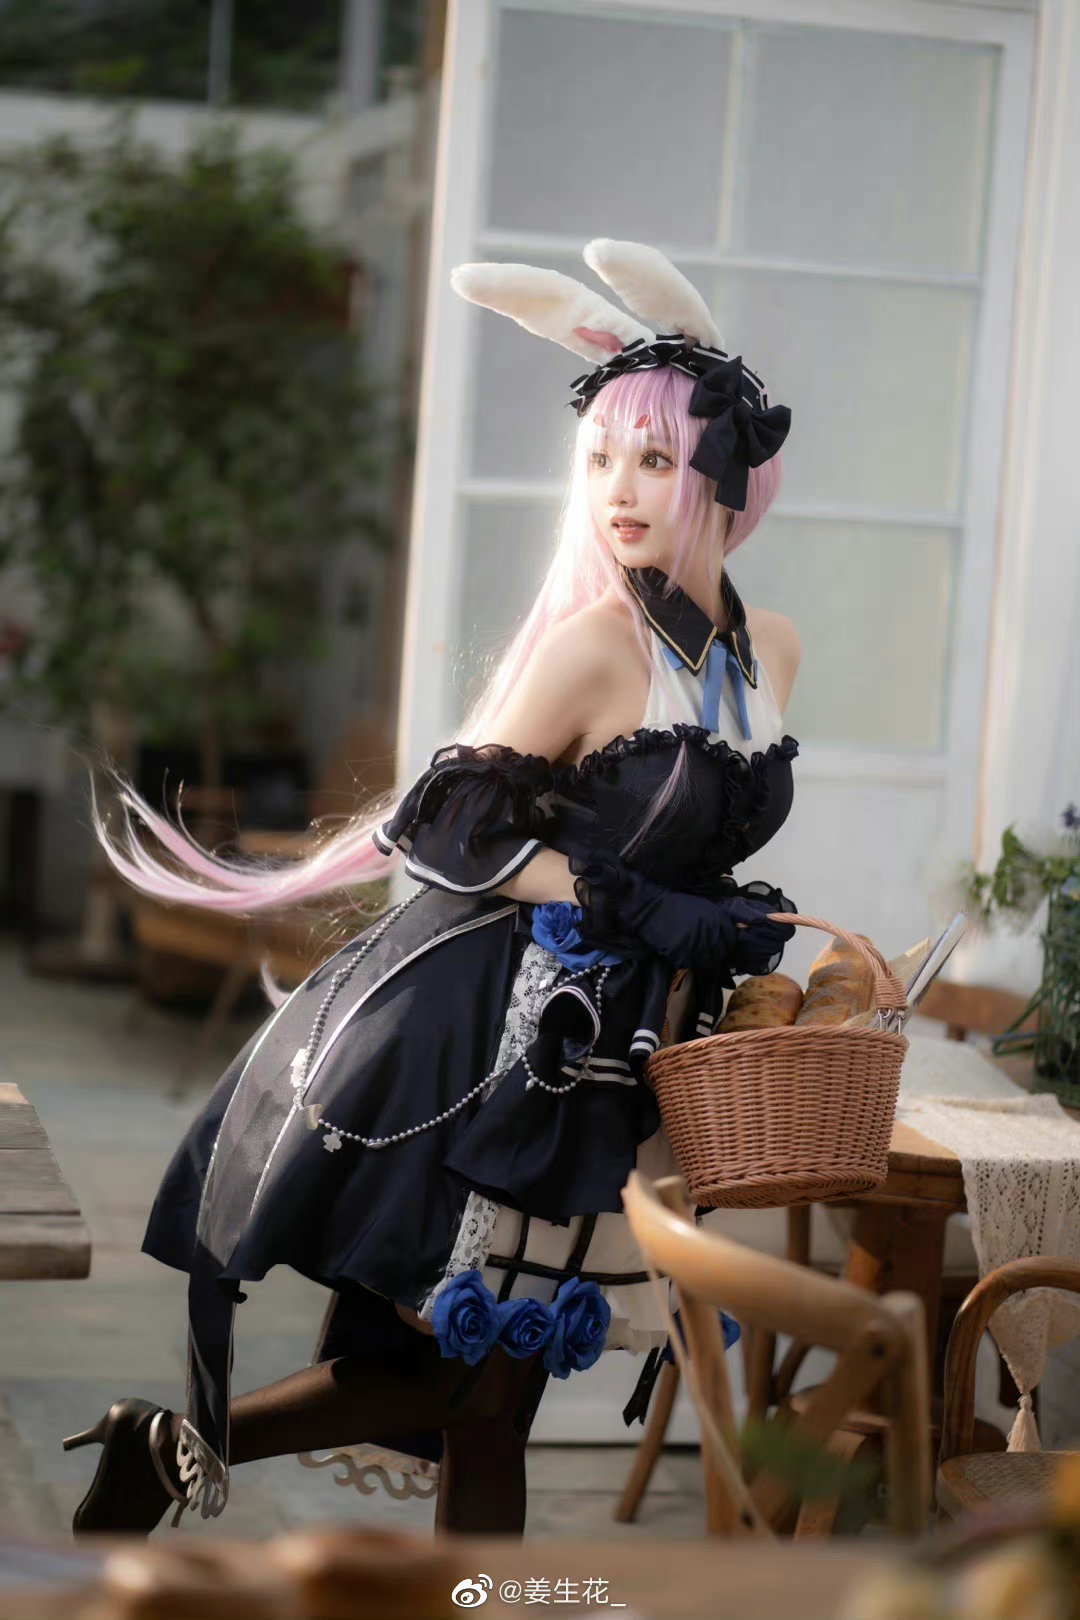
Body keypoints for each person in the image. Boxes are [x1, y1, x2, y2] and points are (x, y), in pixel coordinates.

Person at [63, 237, 801, 1539]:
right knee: (479, 1387)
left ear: (728, 471)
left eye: (653, 458)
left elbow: (697, 828)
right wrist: (636, 905)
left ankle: (183, 1449)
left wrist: (732, 916)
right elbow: (447, 824)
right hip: (515, 1043)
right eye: (599, 459)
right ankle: (176, 1441)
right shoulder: (597, 644)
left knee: (490, 1402)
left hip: (632, 1047)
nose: (618, 491)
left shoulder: (765, 648)